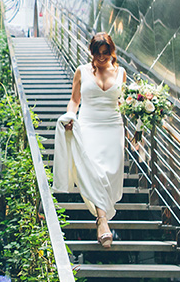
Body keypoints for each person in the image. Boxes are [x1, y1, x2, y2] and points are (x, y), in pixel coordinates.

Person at [52, 33, 126, 248]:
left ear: (111, 52)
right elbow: (75, 100)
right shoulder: (82, 71)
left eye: (106, 53)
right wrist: (70, 117)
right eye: (97, 53)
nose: (101, 58)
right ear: (91, 52)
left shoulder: (121, 73)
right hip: (89, 125)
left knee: (110, 173)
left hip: (113, 127)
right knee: (94, 170)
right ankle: (102, 221)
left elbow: (123, 103)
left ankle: (102, 216)